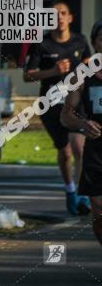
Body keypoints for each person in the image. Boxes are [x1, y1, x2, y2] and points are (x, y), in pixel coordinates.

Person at [24, 0, 92, 215]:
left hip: (76, 100)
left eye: (63, 13)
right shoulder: (42, 44)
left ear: (70, 17)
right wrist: (53, 71)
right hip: (50, 103)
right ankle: (70, 190)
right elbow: (28, 75)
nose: (59, 17)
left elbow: (91, 64)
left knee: (79, 147)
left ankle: (82, 195)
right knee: (65, 152)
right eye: (54, 14)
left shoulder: (80, 41)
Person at [61, 20, 102, 247]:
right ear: (95, 43)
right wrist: (84, 124)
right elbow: (65, 116)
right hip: (96, 150)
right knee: (98, 210)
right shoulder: (83, 75)